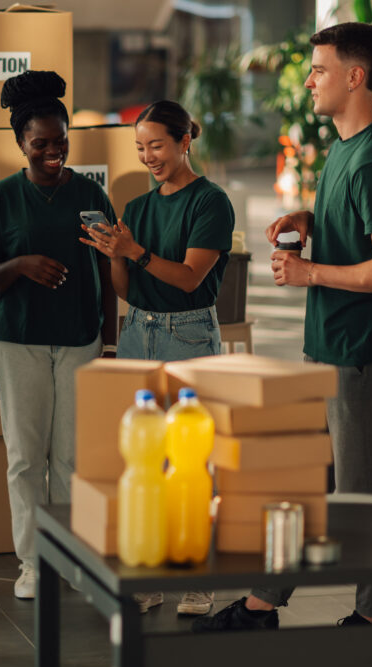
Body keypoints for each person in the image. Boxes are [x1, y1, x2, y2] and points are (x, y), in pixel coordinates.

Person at [192, 21, 372, 633]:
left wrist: (311, 272)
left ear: (355, 76)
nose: (309, 80)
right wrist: (311, 219)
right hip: (329, 343)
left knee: (363, 493)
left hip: (361, 350)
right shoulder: (346, 147)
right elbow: (356, 223)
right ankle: (265, 603)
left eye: (320, 70)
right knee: (301, 482)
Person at [80, 99, 234, 617]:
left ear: (185, 140)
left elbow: (191, 277)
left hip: (189, 335)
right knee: (142, 460)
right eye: (140, 148)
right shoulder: (138, 208)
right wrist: (114, 257)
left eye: (158, 145)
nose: (149, 156)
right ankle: (148, 575)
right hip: (137, 333)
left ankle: (197, 579)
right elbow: (127, 288)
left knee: (193, 461)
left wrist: (137, 253)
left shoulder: (211, 202)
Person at [0, 70, 118, 599]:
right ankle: (33, 564)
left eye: (60, 142)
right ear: (20, 144)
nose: (52, 152)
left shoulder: (90, 192)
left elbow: (107, 271)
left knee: (72, 459)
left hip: (79, 339)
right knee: (26, 457)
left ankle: (70, 556)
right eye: (40, 144)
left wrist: (110, 337)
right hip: (18, 340)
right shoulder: (0, 199)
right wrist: (20, 265)